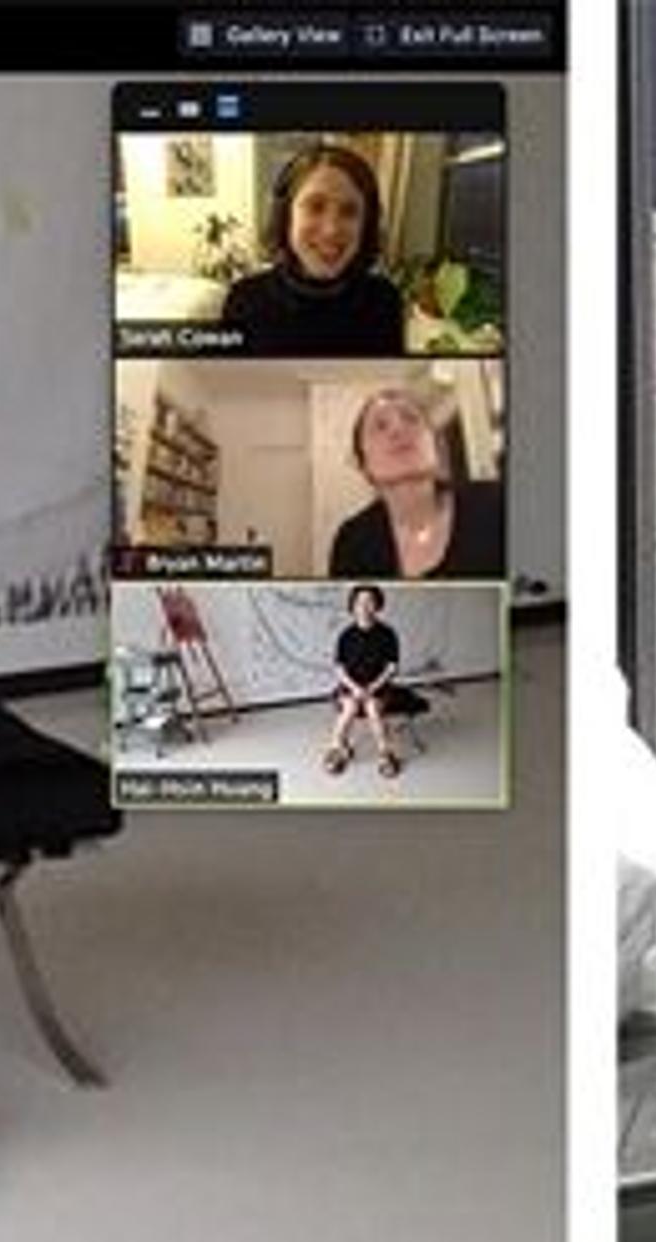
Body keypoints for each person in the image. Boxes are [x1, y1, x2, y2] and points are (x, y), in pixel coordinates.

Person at [219, 142, 408, 355]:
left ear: (366, 224)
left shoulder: (384, 300)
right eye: (315, 207)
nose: (331, 230)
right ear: (286, 215)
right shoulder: (244, 300)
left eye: (349, 211)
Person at [324, 385, 506, 580]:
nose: (398, 430)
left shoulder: (497, 504)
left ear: (436, 447)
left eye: (411, 419)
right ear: (364, 464)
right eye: (380, 426)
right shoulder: (352, 541)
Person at [320, 584, 411, 780]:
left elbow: (392, 668)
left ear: (378, 605)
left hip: (378, 685)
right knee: (350, 707)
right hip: (351, 685)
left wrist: (371, 688)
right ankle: (337, 748)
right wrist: (355, 688)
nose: (364, 606)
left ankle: (385, 753)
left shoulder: (388, 633)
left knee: (372, 708)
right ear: (352, 606)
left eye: (370, 601)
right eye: (359, 601)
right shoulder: (345, 635)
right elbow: (339, 668)